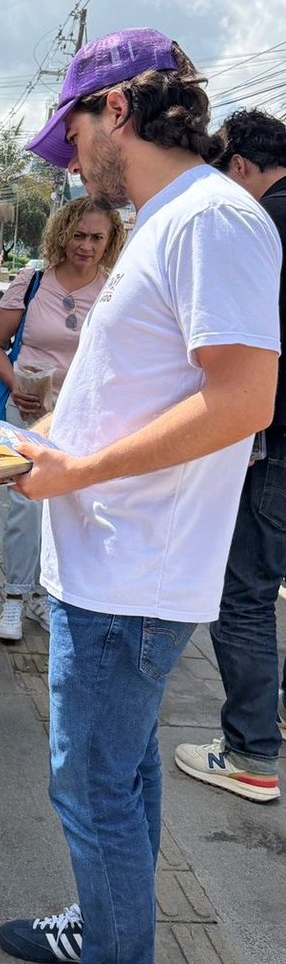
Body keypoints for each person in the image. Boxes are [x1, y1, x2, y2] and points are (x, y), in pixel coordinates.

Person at [0, 29, 280, 964]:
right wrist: (32, 454)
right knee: (122, 778)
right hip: (115, 559)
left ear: (116, 107)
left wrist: (75, 471)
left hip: (133, 566)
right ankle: (111, 925)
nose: (67, 162)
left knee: (94, 783)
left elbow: (243, 398)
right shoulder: (173, 220)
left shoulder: (208, 221)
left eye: (70, 135)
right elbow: (143, 394)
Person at [174, 110, 286, 803]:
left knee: (243, 595)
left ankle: (251, 750)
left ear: (239, 164)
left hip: (277, 445)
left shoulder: (262, 225)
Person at [0, 198, 126, 642]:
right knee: (26, 505)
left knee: (70, 509)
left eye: (96, 237)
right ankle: (13, 597)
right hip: (28, 412)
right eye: (79, 234)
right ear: (63, 233)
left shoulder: (115, 289)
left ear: (110, 241)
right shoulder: (32, 281)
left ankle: (46, 597)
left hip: (83, 417)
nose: (86, 246)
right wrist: (17, 383)